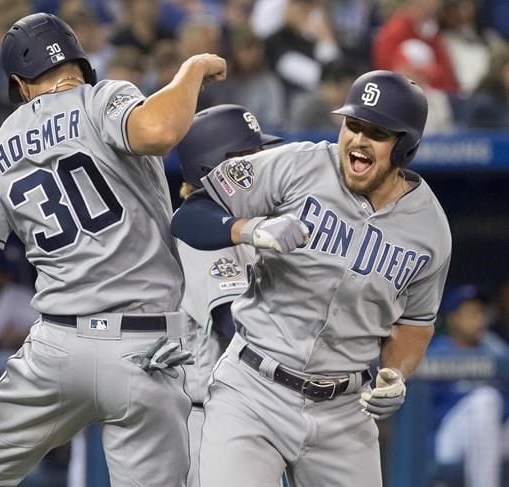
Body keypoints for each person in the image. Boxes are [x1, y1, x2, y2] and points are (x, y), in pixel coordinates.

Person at [0, 12, 226, 487]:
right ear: (79, 63)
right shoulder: (103, 97)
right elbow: (160, 132)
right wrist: (190, 70)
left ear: (19, 83)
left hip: (57, 347)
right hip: (143, 346)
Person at [171, 70, 452, 487]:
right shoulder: (298, 163)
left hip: (344, 411)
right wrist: (246, 229)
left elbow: (415, 322)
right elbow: (190, 215)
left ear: (405, 146)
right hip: (253, 388)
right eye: (353, 125)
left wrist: (396, 374)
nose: (358, 140)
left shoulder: (431, 230)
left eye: (376, 132)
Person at [175, 104, 283, 487]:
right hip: (205, 420)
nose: (262, 166)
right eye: (249, 158)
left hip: (244, 414)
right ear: (213, 169)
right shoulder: (199, 232)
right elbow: (235, 324)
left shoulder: (245, 228)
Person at [428, 285, 508, 487]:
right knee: (485, 401)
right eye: (471, 313)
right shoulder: (436, 351)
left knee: (487, 404)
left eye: (481, 312)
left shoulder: (495, 350)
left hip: (491, 434)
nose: (479, 319)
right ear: (453, 317)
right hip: (447, 437)